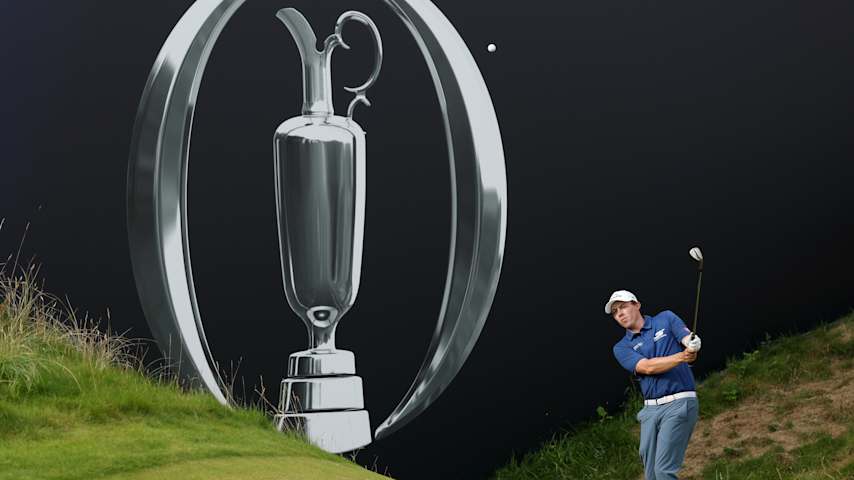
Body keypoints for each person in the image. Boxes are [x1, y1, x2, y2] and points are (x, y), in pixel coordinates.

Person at [607, 290, 702, 480]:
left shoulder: (665, 319)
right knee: (651, 475)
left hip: (679, 403)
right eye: (615, 312)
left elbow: (685, 339)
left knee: (663, 471)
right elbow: (647, 367)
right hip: (650, 411)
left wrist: (691, 344)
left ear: (637, 304)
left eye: (623, 307)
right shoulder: (621, 347)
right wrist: (682, 356)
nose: (620, 313)